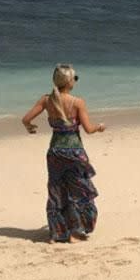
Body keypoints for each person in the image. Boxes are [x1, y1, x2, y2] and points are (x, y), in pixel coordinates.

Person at [22, 64, 106, 243]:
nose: (75, 81)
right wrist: (99, 127)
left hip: (55, 151)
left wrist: (30, 127)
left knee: (56, 189)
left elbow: (26, 119)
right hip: (74, 152)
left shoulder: (46, 100)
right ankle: (76, 231)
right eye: (75, 78)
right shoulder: (77, 102)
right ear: (69, 82)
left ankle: (57, 232)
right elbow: (89, 129)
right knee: (79, 189)